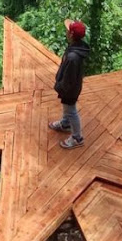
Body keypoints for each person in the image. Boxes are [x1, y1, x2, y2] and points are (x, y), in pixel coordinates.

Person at [48, 19, 90, 149]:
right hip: (72, 86)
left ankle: (77, 137)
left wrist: (60, 87)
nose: (66, 32)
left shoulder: (73, 57)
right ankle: (66, 124)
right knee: (67, 108)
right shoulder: (76, 47)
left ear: (71, 35)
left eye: (68, 31)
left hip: (70, 89)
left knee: (71, 110)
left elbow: (69, 79)